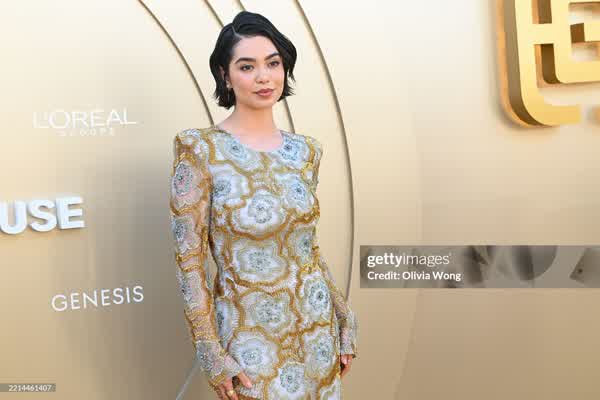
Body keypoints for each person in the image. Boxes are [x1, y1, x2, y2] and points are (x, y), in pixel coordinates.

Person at [169, 11, 358, 400]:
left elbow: (307, 248)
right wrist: (210, 352)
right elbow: (189, 264)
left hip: (316, 329)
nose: (264, 77)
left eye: (273, 63)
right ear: (224, 75)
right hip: (250, 338)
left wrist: (343, 316)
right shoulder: (200, 150)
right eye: (247, 66)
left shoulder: (305, 151)